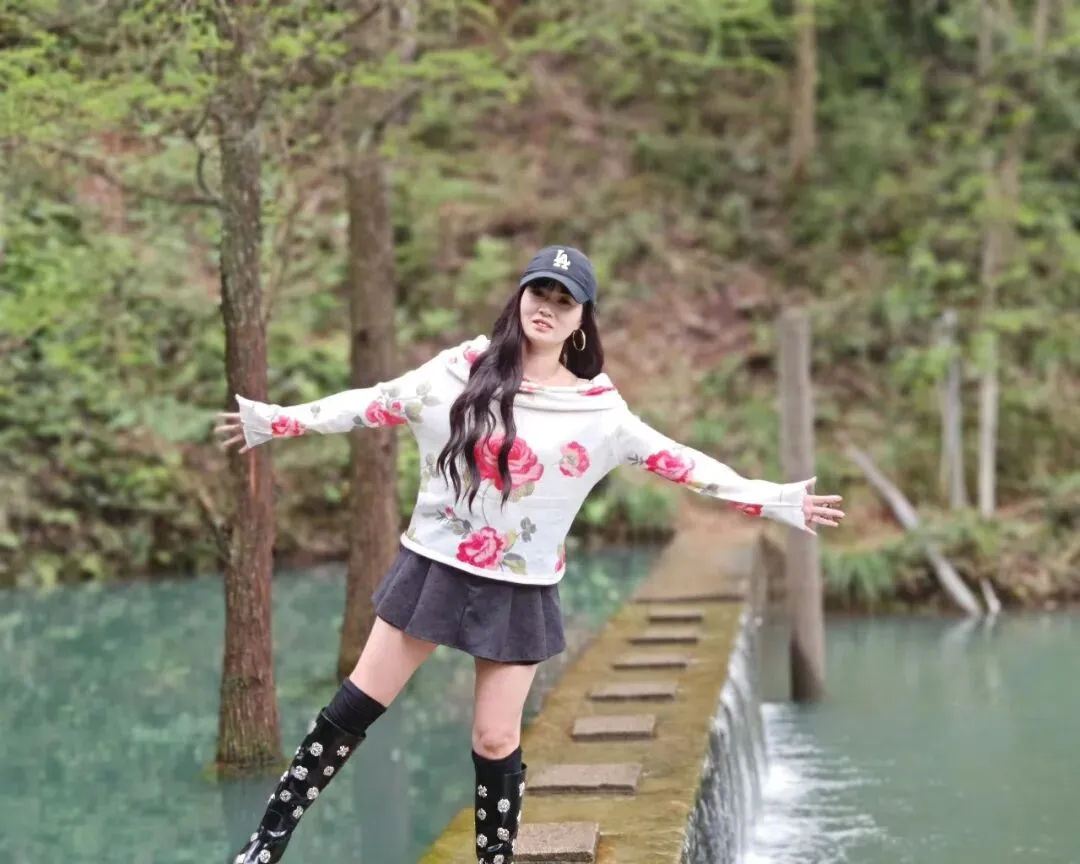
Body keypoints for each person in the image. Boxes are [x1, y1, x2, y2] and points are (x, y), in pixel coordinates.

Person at [215, 245, 845, 864]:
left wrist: (773, 499)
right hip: (435, 566)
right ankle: (267, 842)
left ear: (581, 320)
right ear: (519, 296)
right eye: (539, 292)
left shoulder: (598, 412)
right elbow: (370, 403)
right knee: (357, 704)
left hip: (518, 586)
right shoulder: (458, 372)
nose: (547, 307)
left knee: (495, 737)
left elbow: (681, 462)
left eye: (564, 301)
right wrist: (276, 420)